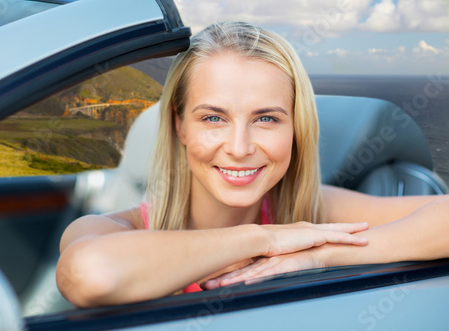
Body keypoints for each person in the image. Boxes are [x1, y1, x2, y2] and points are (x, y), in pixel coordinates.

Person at [56, 21, 449, 307]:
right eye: (213, 118)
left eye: (266, 119)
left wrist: (321, 254)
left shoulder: (310, 211)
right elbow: (89, 273)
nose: (240, 147)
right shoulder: (118, 229)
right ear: (180, 126)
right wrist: (266, 240)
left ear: (295, 129)